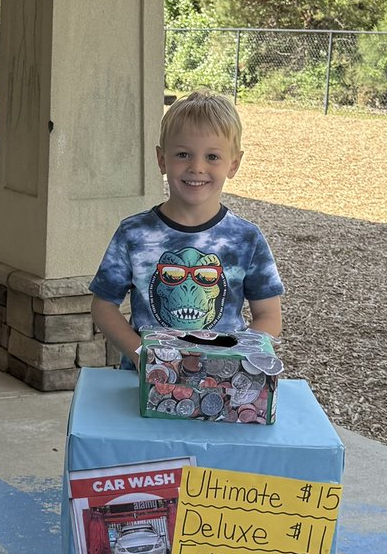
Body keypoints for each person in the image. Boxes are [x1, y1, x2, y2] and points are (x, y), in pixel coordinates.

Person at [90, 89, 283, 365]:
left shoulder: (246, 239)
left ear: (234, 164)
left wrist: (235, 359)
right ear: (161, 160)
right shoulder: (133, 234)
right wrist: (142, 356)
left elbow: (269, 316)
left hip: (224, 384)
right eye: (183, 154)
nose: (197, 167)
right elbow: (103, 305)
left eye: (212, 157)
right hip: (142, 383)